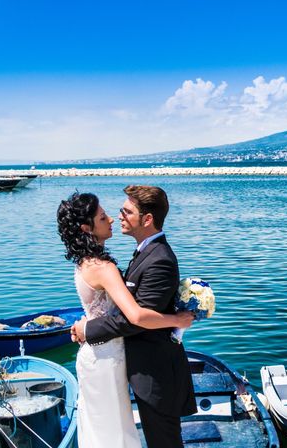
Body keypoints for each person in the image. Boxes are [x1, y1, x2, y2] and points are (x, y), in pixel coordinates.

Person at [57, 192, 194, 448]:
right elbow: (135, 315)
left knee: (105, 428)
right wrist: (176, 319)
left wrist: (88, 327)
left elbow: (120, 314)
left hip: (107, 356)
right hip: (107, 357)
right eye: (103, 216)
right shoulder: (105, 266)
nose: (113, 217)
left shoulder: (87, 262)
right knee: (113, 430)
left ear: (147, 219)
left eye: (125, 212)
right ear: (87, 228)